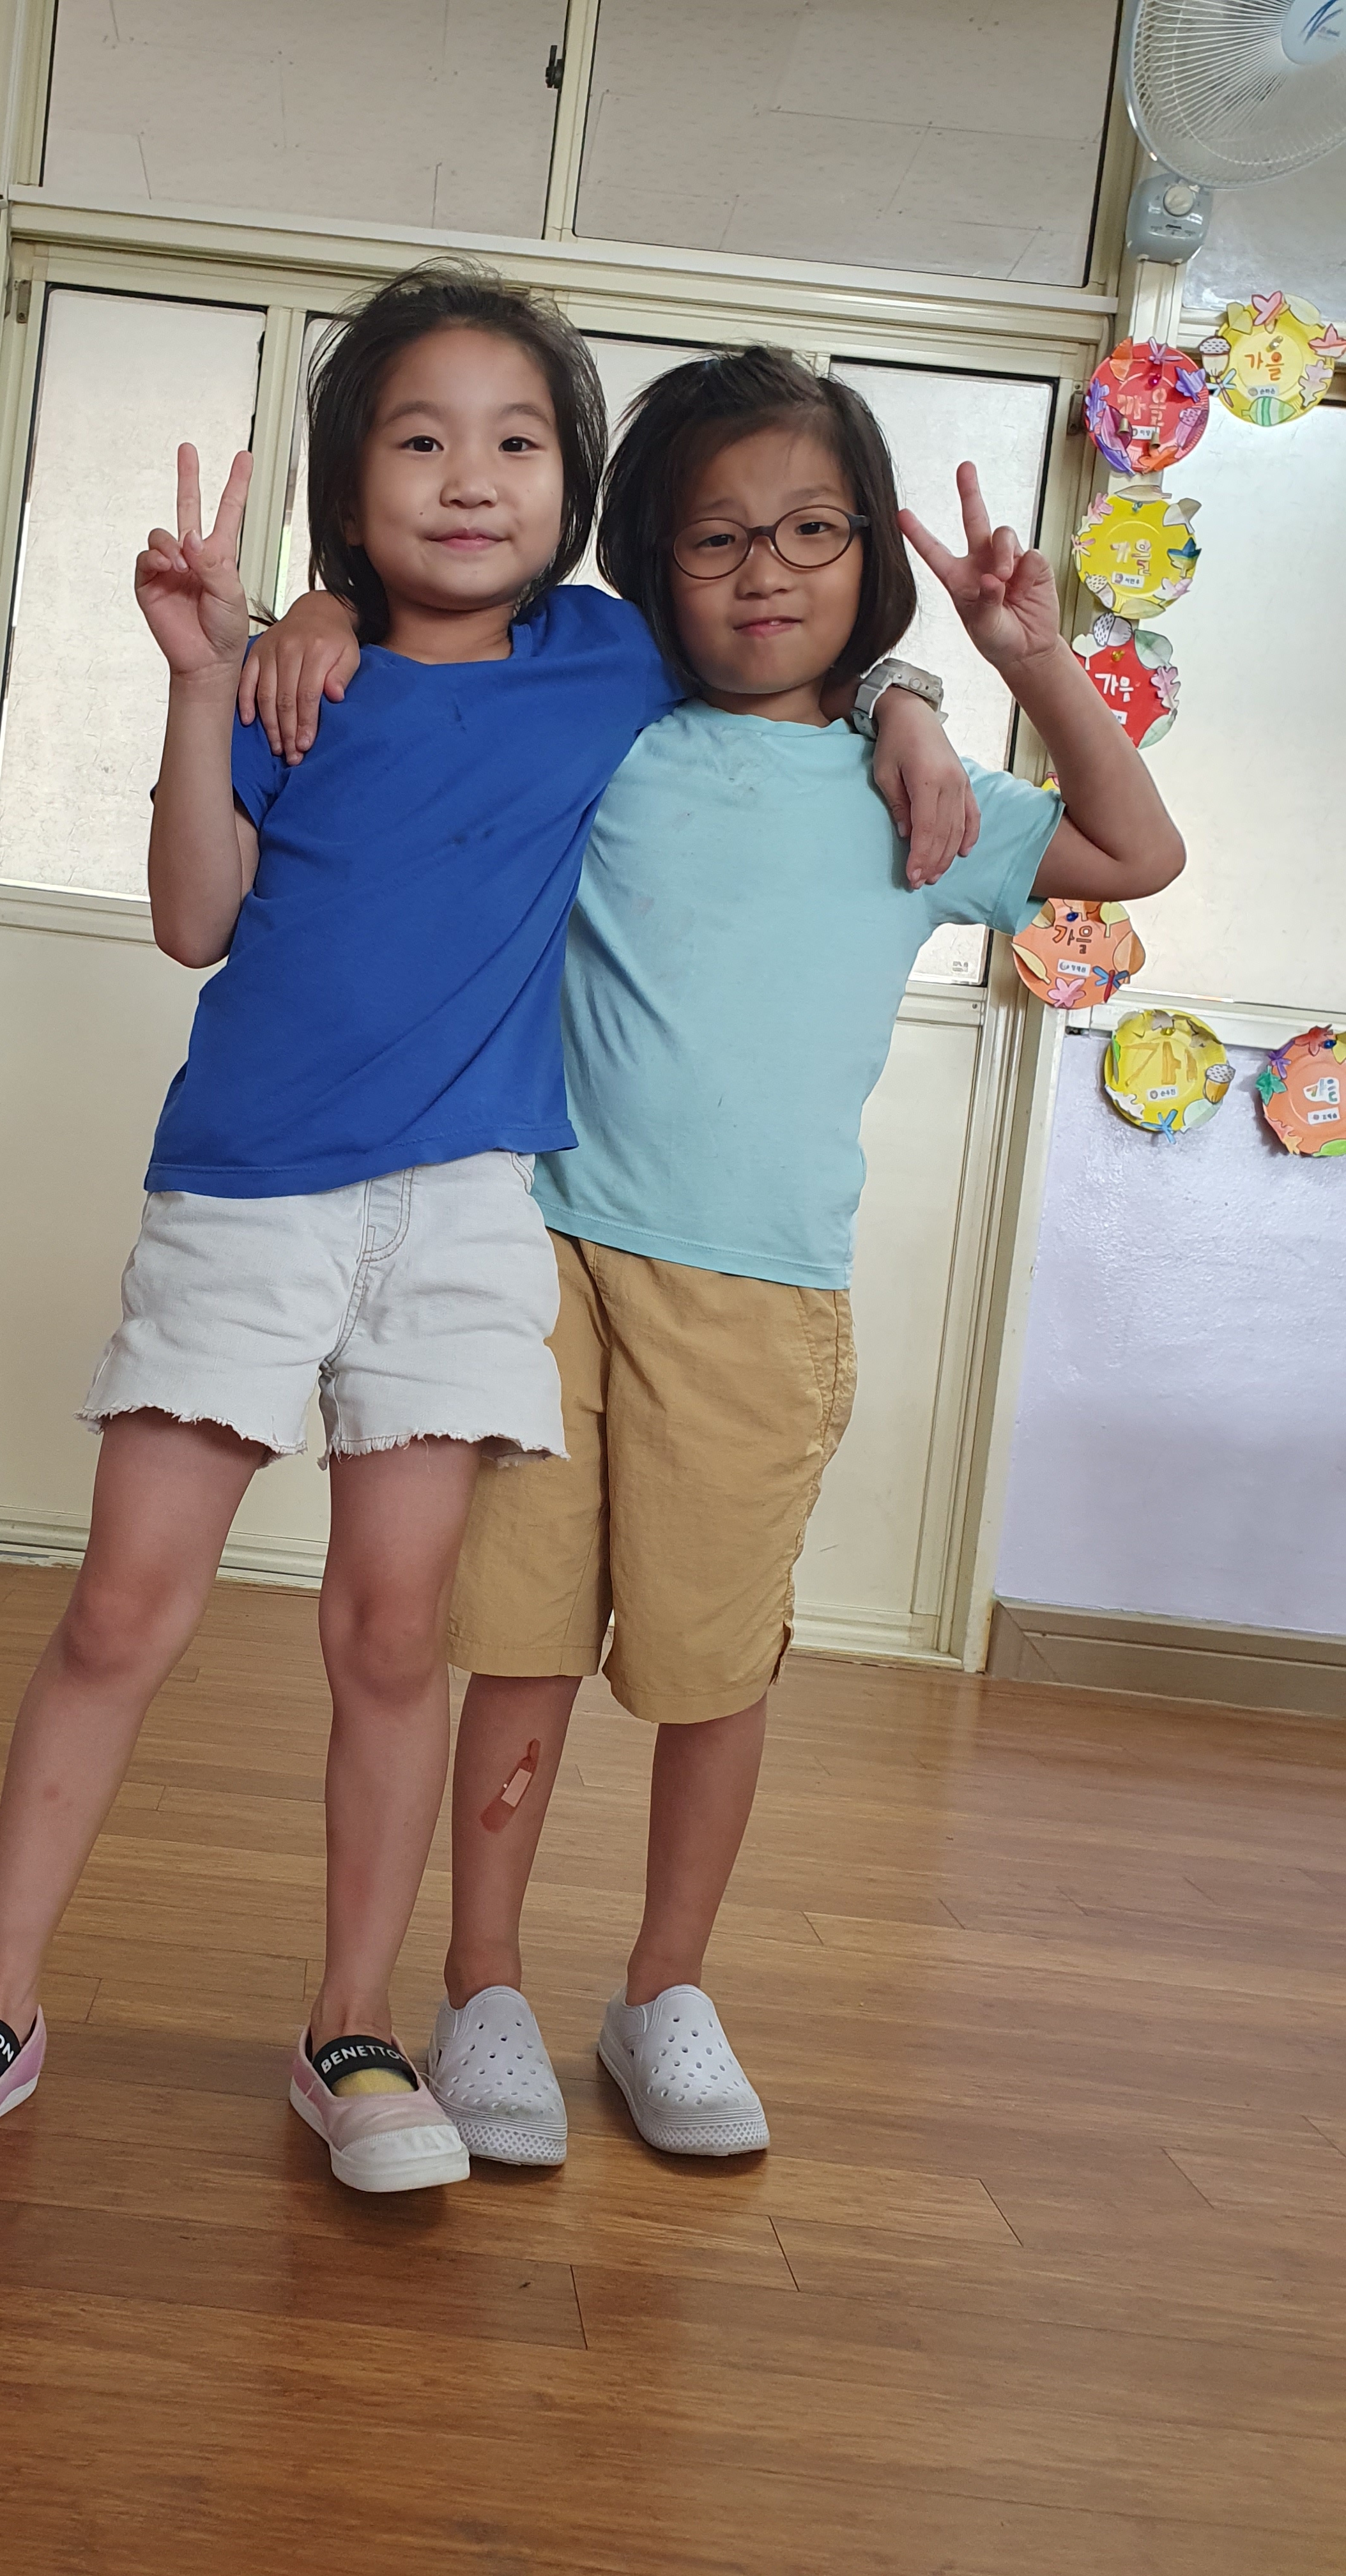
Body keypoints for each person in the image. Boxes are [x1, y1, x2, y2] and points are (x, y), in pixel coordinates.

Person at [250, 347, 1185, 2172]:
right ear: (649, 566)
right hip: (543, 1263)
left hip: (760, 1298)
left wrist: (999, 667)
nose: (767, 572)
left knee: (712, 1667)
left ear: (869, 555)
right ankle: (484, 1988)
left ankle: (665, 1988)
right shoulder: (605, 731)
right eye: (716, 540)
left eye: (812, 531)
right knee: (516, 1650)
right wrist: (318, 603)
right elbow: (448, 630)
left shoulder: (916, 798)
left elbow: (1135, 850)